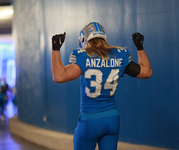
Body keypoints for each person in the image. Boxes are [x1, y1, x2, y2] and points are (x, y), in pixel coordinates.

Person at [51, 22, 152, 150]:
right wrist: (140, 48)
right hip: (112, 120)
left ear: (84, 39)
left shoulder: (82, 57)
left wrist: (55, 49)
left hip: (89, 121)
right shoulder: (120, 55)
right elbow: (146, 72)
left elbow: (59, 76)